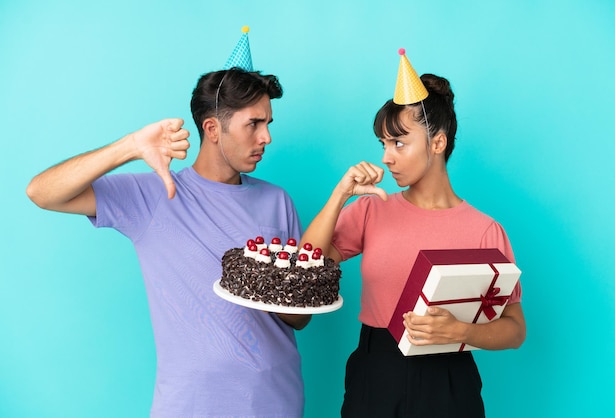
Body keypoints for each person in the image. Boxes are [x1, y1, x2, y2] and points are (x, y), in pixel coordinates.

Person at [26, 64, 312, 416]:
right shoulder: (154, 194)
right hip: (192, 404)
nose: (266, 136)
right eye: (254, 124)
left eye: (268, 124)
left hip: (276, 398)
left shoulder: (277, 201)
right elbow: (42, 192)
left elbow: (299, 317)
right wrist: (130, 147)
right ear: (212, 129)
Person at [300, 52, 526, 417]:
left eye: (399, 143)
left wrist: (458, 331)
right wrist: (339, 195)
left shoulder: (485, 231)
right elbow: (305, 264)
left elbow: (514, 329)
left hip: (450, 379)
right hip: (376, 371)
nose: (387, 157)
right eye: (383, 144)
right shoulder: (373, 208)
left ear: (437, 143)